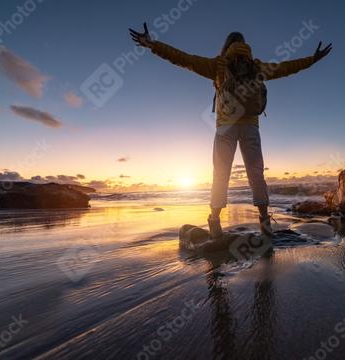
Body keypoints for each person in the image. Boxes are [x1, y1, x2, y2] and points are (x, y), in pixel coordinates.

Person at [130, 23, 332, 245]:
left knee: (221, 174)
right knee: (256, 175)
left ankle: (215, 224)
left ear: (226, 46)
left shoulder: (218, 66)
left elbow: (183, 59)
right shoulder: (257, 67)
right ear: (245, 45)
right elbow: (286, 68)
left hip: (225, 126)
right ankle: (265, 224)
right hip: (250, 127)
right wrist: (311, 60)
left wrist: (153, 45)